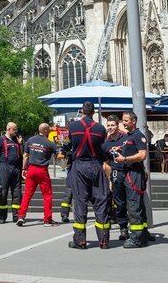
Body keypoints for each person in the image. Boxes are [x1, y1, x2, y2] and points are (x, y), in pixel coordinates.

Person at [67, 102, 109, 250]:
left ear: (82, 111)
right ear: (93, 112)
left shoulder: (72, 126)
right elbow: (102, 147)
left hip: (79, 166)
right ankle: (103, 240)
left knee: (80, 202)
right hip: (96, 165)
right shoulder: (101, 128)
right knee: (101, 202)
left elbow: (70, 144)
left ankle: (80, 241)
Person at [16, 123, 61, 227]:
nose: (50, 131)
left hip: (31, 169)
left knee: (27, 194)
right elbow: (58, 157)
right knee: (47, 195)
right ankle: (47, 219)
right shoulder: (50, 144)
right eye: (49, 129)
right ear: (45, 130)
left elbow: (26, 156)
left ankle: (21, 216)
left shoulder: (30, 140)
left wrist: (24, 168)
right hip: (42, 171)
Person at [117, 111, 150, 249]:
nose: (123, 123)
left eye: (126, 120)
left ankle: (136, 238)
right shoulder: (128, 137)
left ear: (134, 121)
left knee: (133, 205)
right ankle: (143, 235)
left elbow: (142, 155)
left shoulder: (138, 136)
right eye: (123, 120)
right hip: (129, 173)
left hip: (134, 174)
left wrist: (124, 159)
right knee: (137, 205)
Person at [102, 115, 128, 242]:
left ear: (118, 126)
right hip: (116, 175)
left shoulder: (126, 139)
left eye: (112, 125)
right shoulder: (105, 144)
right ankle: (123, 228)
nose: (110, 128)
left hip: (129, 173)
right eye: (108, 125)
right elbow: (106, 164)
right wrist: (109, 180)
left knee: (133, 202)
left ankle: (141, 230)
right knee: (120, 203)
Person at [0, 122, 22, 224]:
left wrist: (20, 144)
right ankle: (2, 216)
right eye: (14, 129)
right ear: (9, 129)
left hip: (16, 169)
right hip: (5, 168)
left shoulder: (17, 140)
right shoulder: (0, 140)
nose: (16, 131)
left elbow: (22, 154)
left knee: (17, 193)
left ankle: (16, 216)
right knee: (3, 193)